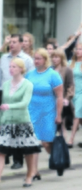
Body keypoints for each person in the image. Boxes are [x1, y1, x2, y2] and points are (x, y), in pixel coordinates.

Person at [0, 59, 40, 189]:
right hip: (7, 122)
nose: (11, 69)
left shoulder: (28, 84)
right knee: (1, 150)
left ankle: (29, 175)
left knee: (28, 151)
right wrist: (0, 121)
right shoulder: (5, 84)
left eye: (14, 66)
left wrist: (9, 106)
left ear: (21, 68)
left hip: (22, 122)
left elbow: (25, 103)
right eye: (10, 66)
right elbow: (3, 103)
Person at [0, 34, 34, 169]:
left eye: (15, 42)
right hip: (4, 92)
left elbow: (30, 79)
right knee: (3, 127)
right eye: (10, 42)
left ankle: (18, 159)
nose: (11, 44)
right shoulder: (4, 58)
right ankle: (3, 155)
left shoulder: (27, 59)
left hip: (19, 93)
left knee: (16, 129)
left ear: (21, 44)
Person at [25, 48, 64, 179]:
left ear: (45, 60)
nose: (36, 61)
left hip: (48, 112)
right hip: (32, 112)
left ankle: (58, 159)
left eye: (38, 58)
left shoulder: (53, 75)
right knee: (34, 142)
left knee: (46, 143)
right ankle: (34, 171)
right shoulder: (30, 74)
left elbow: (59, 96)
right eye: (34, 58)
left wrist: (59, 115)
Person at [51, 49, 74, 144]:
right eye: (53, 57)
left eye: (57, 57)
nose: (54, 59)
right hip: (51, 100)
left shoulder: (67, 70)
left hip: (62, 101)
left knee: (62, 124)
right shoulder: (49, 70)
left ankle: (64, 142)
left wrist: (67, 98)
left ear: (61, 58)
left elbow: (70, 85)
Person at [68, 43, 82, 146]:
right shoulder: (70, 63)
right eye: (77, 49)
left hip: (81, 93)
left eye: (80, 49)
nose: (78, 51)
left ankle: (71, 139)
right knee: (79, 117)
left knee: (77, 115)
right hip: (72, 93)